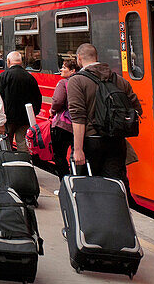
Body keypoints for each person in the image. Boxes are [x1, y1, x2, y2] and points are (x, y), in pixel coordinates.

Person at [68, 43, 142, 186]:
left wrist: (78, 150)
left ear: (79, 58)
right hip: (116, 141)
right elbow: (137, 110)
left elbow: (78, 117)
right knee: (114, 185)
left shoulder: (76, 81)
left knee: (85, 188)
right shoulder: (119, 80)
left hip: (90, 142)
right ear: (97, 57)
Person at [0, 51, 42, 153]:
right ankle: (24, 164)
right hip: (24, 119)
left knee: (7, 144)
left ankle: (9, 165)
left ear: (8, 61)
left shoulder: (3, 76)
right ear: (21, 62)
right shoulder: (30, 77)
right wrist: (33, 113)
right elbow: (38, 98)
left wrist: (0, 119)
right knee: (23, 145)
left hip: (8, 119)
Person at [50, 58, 77, 180]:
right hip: (80, 124)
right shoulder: (83, 81)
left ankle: (65, 183)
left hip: (64, 124)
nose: (61, 69)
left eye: (64, 67)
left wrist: (52, 111)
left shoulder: (64, 83)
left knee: (60, 155)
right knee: (76, 154)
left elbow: (57, 101)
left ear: (72, 71)